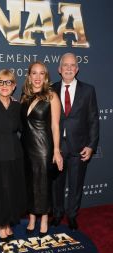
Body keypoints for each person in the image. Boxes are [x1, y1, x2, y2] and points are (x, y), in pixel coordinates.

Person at [51, 52, 99, 231]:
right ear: (59, 69)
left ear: (77, 69)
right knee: (56, 185)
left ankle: (72, 215)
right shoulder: (51, 89)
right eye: (65, 65)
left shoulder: (88, 90)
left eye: (73, 65)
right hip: (57, 146)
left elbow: (94, 119)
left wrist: (91, 145)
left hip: (79, 146)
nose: (69, 68)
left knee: (76, 184)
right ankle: (57, 214)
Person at [0, 69, 26, 242]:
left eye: (8, 82)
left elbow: (24, 129)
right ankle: (1, 225)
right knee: (0, 191)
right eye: (1, 82)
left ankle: (8, 222)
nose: (4, 86)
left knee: (11, 191)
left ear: (14, 85)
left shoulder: (17, 107)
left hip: (15, 154)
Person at [20, 61, 63, 237]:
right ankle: (31, 218)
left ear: (46, 77)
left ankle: (44, 220)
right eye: (34, 73)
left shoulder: (51, 96)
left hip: (44, 147)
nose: (38, 77)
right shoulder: (24, 97)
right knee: (30, 184)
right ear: (29, 76)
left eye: (41, 74)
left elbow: (55, 126)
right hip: (25, 148)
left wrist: (57, 150)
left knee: (43, 185)